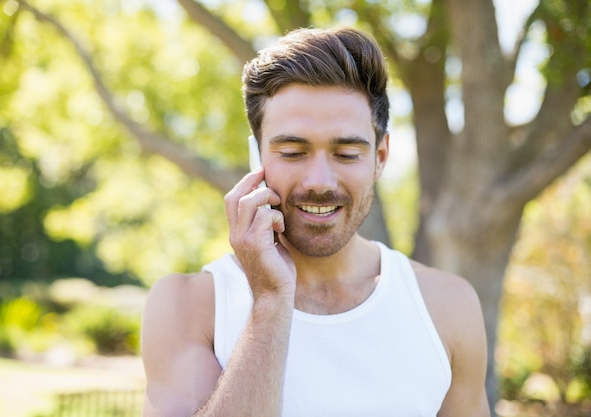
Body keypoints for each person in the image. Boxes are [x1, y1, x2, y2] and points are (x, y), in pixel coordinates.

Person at [140, 27, 489, 417]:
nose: (319, 182)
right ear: (258, 157)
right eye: (292, 152)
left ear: (381, 156)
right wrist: (271, 302)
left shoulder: (448, 306)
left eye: (346, 153)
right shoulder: (186, 307)